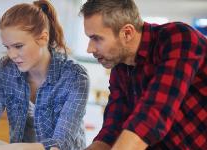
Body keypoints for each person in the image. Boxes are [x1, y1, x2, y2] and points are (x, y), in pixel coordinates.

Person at [0, 0, 89, 150]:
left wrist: (8, 149)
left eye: (18, 46)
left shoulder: (75, 77)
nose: (11, 55)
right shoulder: (5, 69)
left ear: (43, 38)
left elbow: (61, 143)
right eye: (7, 47)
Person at [80, 0, 207, 149]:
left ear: (127, 33)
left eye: (96, 38)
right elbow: (112, 129)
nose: (90, 49)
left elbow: (154, 114)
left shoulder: (179, 38)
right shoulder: (120, 69)